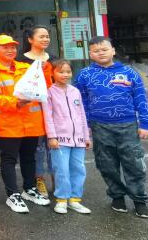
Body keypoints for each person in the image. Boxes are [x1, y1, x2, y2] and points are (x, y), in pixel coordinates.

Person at [75, 36, 148, 218]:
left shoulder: (129, 72)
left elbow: (140, 98)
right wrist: (85, 126)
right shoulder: (84, 75)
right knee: (106, 164)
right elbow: (80, 102)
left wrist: (145, 124)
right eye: (96, 50)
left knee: (134, 164)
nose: (101, 53)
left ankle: (139, 200)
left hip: (128, 125)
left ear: (113, 51)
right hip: (99, 126)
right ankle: (117, 196)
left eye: (104, 49)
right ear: (90, 54)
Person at [0, 34, 49, 213]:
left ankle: (29, 189)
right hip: (9, 124)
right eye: (5, 47)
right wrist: (16, 103)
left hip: (32, 123)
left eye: (12, 47)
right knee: (9, 159)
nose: (10, 50)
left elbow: (42, 86)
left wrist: (45, 70)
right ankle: (13, 194)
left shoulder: (26, 67)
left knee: (29, 157)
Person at [43, 59, 92, 215]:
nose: (65, 74)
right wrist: (52, 136)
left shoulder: (75, 91)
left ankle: (75, 199)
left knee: (78, 168)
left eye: (68, 71)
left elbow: (82, 114)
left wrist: (86, 136)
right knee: (62, 170)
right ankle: (62, 199)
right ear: (52, 73)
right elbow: (48, 116)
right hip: (60, 139)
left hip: (78, 139)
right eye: (61, 71)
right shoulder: (49, 92)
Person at [18, 26, 55, 197]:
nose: (46, 39)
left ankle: (57, 179)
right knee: (37, 149)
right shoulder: (21, 60)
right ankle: (38, 179)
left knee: (54, 145)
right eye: (41, 36)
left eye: (47, 36)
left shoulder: (53, 59)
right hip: (32, 111)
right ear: (30, 40)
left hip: (53, 109)